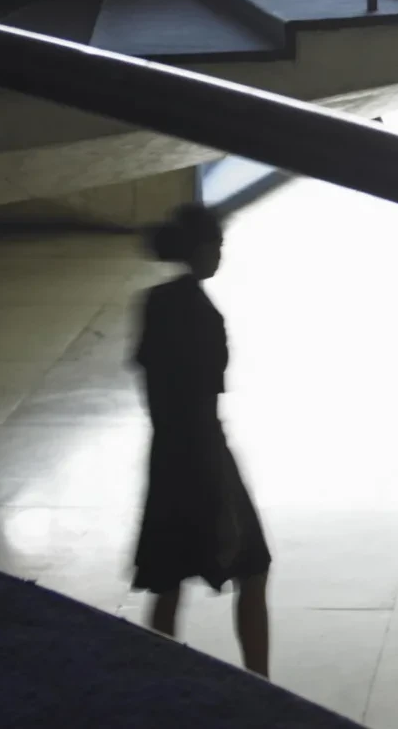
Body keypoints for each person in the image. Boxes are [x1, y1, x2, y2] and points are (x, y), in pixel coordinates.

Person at [131, 203, 272, 675]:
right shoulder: (205, 319)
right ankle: (261, 686)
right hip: (206, 461)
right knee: (253, 566)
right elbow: (204, 407)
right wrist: (218, 488)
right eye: (219, 247)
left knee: (167, 580)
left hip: (167, 458)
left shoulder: (155, 302)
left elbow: (154, 388)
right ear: (203, 249)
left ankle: (157, 687)